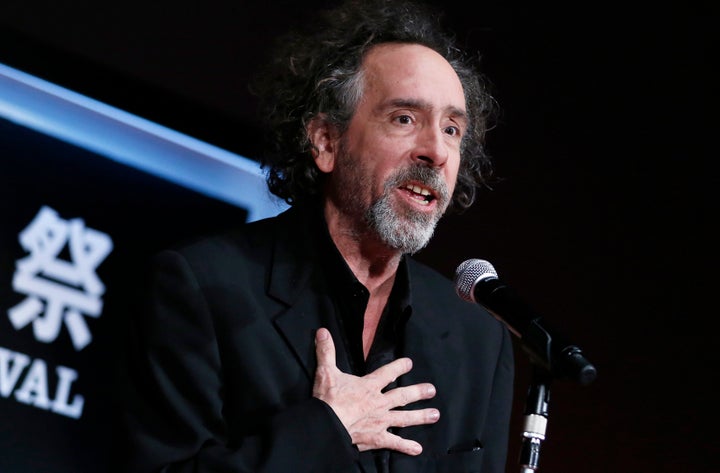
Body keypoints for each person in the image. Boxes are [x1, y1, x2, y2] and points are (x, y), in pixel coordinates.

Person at [121, 0, 515, 471]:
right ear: (326, 141)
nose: (436, 151)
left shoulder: (480, 338)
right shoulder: (202, 287)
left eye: (452, 129)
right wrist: (326, 428)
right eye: (405, 119)